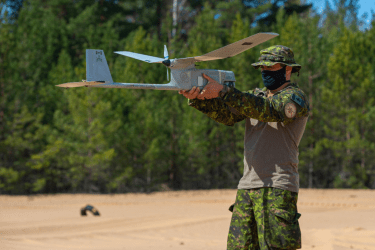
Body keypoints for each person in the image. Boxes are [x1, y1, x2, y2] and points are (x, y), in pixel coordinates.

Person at [179, 45, 310, 250]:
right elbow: (227, 115)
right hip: (247, 187)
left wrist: (223, 91)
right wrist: (198, 100)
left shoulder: (295, 98)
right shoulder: (255, 96)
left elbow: (269, 111)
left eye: (270, 67)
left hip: (277, 187)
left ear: (287, 70)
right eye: (262, 68)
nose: (265, 72)